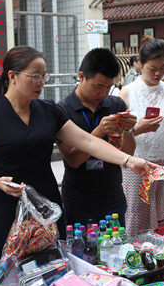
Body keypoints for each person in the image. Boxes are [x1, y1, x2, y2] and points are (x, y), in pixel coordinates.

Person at [0, 46, 160, 267]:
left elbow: (88, 141)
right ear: (12, 76)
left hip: (46, 203)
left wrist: (129, 160)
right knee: (2, 271)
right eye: (35, 76)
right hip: (7, 202)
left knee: (52, 269)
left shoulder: (48, 110)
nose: (41, 82)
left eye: (44, 76)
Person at [56, 48, 136, 227]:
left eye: (109, 87)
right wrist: (99, 131)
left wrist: (128, 130)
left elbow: (127, 153)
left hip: (113, 199)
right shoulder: (62, 111)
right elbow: (73, 160)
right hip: (78, 203)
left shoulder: (116, 104)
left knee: (115, 251)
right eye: (99, 86)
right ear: (82, 76)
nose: (104, 93)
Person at [119, 36, 164, 237]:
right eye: (152, 68)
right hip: (135, 167)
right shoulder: (126, 93)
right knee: (134, 218)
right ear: (140, 65)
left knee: (163, 223)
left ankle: (162, 261)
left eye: (162, 68)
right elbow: (115, 139)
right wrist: (139, 128)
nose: (158, 73)